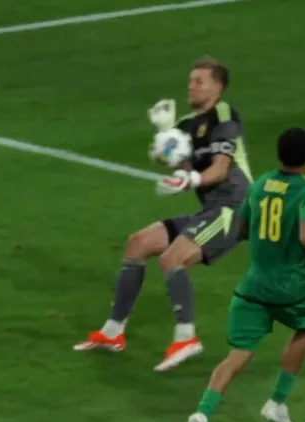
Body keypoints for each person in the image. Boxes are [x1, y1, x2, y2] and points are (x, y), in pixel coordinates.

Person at [75, 56, 253, 372]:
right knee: (138, 243)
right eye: (190, 81)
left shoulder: (224, 115)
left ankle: (186, 339)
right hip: (212, 209)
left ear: (218, 87)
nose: (191, 86)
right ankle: (113, 332)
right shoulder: (186, 125)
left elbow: (221, 168)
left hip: (235, 210)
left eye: (199, 81)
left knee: (172, 258)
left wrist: (191, 179)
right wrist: (166, 135)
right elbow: (182, 165)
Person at [184, 127, 305, 422]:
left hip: (253, 286)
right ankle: (277, 402)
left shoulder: (261, 183)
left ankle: (203, 414)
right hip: (290, 288)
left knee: (239, 353)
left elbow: (241, 229)